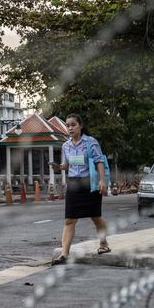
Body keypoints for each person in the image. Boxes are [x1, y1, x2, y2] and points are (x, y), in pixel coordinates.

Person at [50, 113, 111, 265]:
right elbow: (67, 164)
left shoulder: (91, 142)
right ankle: (64, 254)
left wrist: (102, 181)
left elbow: (99, 162)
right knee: (70, 219)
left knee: (95, 216)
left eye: (73, 125)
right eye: (67, 125)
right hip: (73, 184)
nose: (70, 128)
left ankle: (103, 244)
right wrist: (60, 166)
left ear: (80, 126)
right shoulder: (66, 146)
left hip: (90, 183)